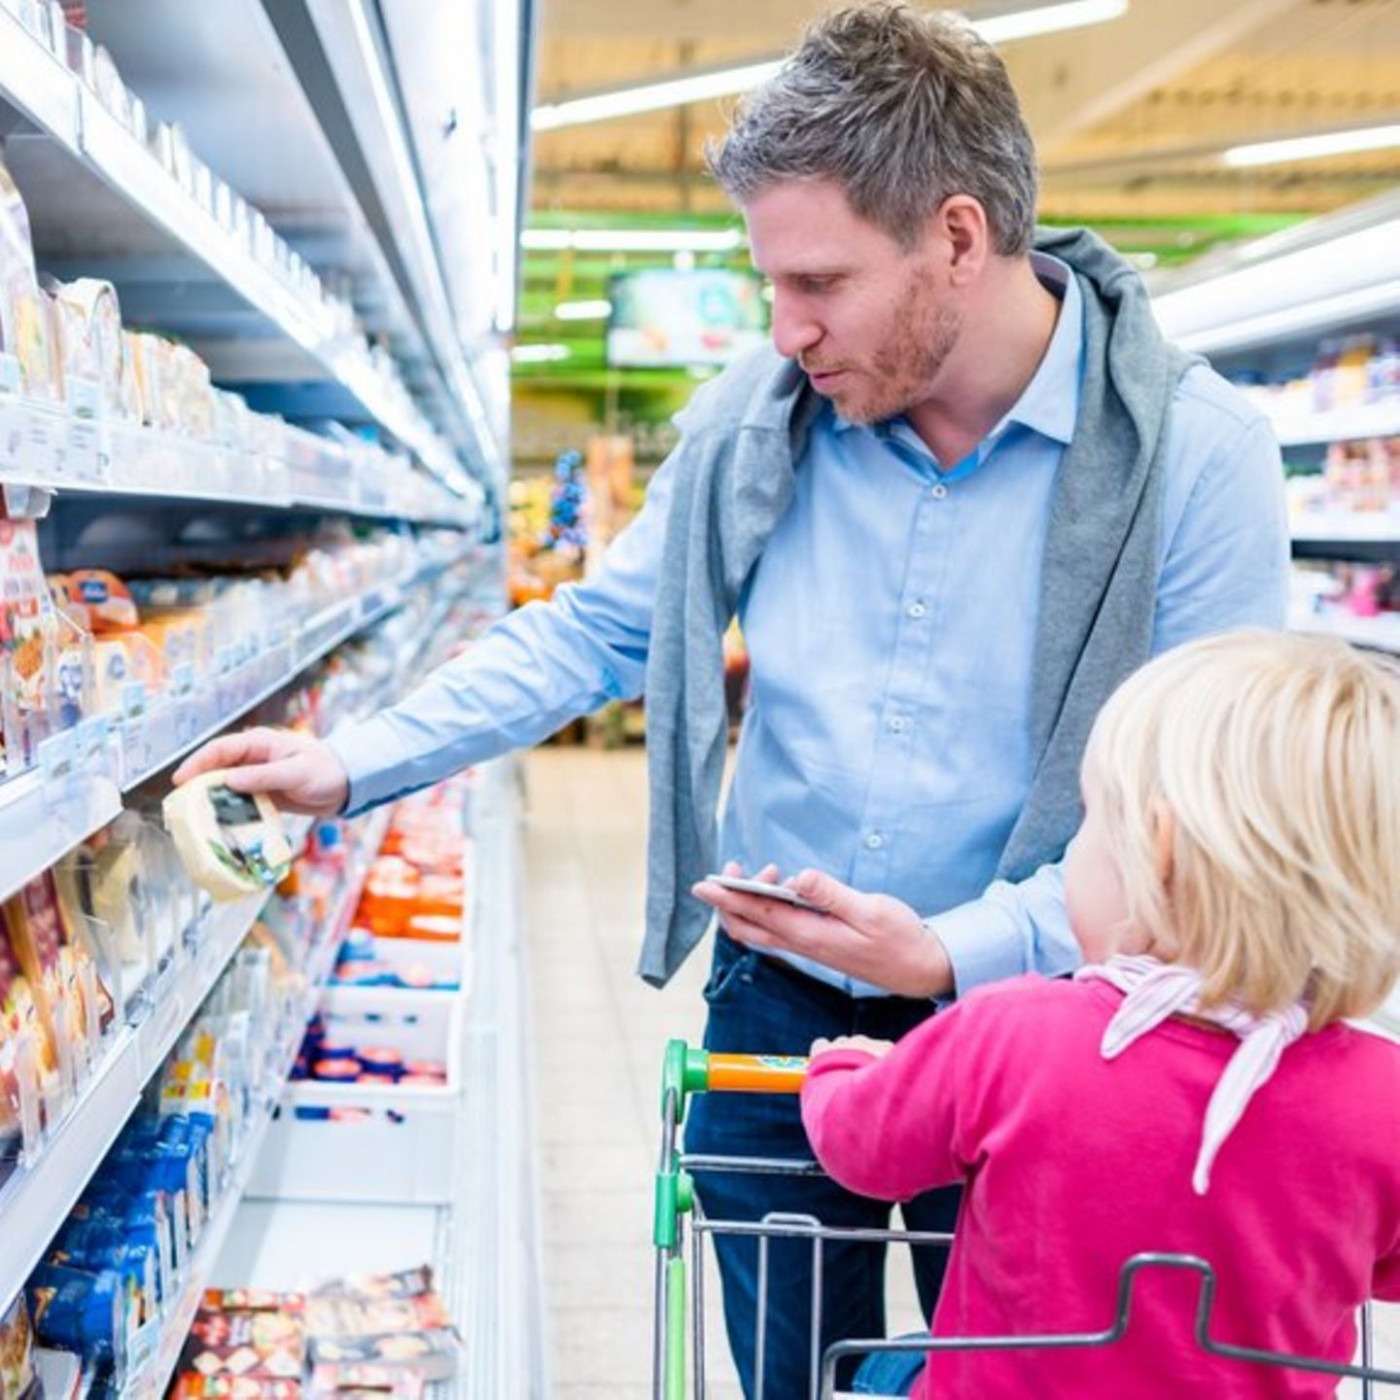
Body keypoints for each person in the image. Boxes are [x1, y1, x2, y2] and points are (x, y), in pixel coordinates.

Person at [174, 4, 1288, 1392]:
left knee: (1016, 1375)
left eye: (820, 280)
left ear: (956, 236)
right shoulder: (759, 427)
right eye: (769, 281)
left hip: (1056, 1032)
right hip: (781, 1015)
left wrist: (954, 954)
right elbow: (593, 634)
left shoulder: (1196, 460)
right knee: (785, 1371)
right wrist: (351, 763)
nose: (786, 329)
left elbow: (1218, 824)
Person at [800, 629, 1400, 1399]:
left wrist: (841, 1067)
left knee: (886, 1365)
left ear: (1156, 850)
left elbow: (864, 1149)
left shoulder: (1010, 1034)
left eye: (1086, 821)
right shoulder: (1380, 1092)